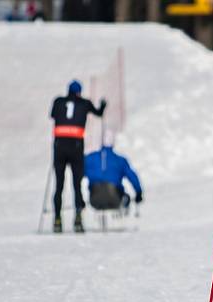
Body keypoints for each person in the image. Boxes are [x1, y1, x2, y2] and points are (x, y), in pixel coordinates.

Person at [50, 80, 106, 233]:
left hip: (59, 147)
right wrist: (102, 106)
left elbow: (53, 115)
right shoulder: (84, 103)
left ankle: (57, 219)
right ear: (79, 92)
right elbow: (99, 114)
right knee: (77, 185)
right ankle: (78, 218)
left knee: (59, 185)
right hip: (75, 148)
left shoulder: (58, 101)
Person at [84, 131, 143, 212]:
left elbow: (78, 173)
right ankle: (123, 212)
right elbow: (132, 176)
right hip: (115, 198)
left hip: (94, 200)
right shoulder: (120, 160)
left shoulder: (89, 158)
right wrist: (138, 193)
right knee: (124, 196)